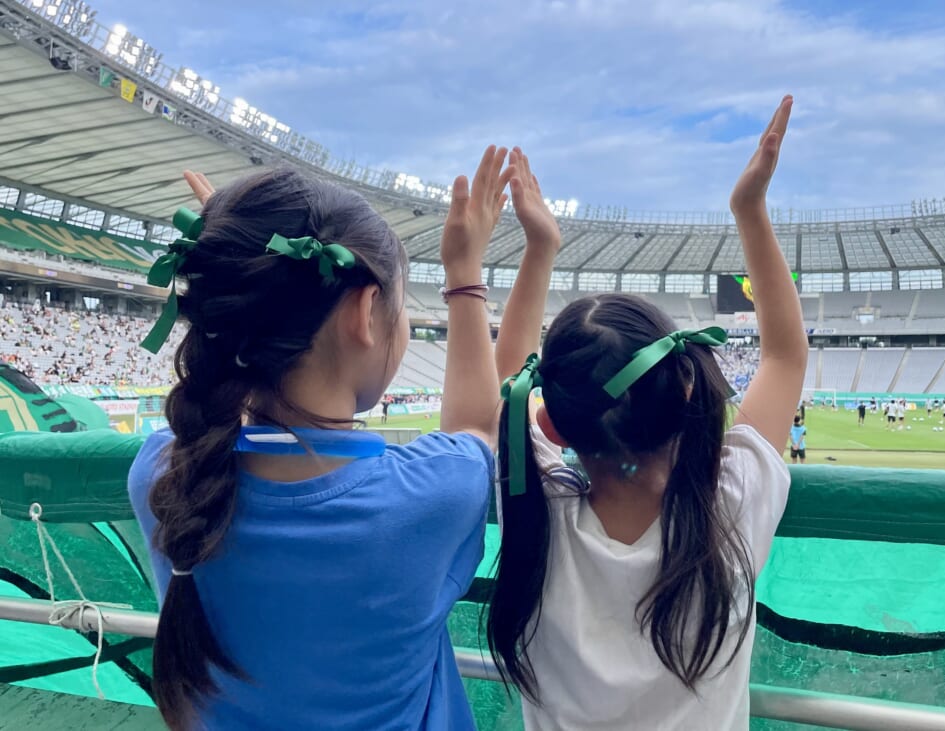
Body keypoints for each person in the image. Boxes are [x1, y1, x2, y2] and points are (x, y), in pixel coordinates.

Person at [127, 148, 514, 730]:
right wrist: (464, 275)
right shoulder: (429, 495)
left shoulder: (159, 473)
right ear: (365, 312)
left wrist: (248, 285)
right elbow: (477, 426)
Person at [487, 98, 805, 729]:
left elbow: (507, 388)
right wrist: (750, 210)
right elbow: (786, 356)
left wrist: (539, 249)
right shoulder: (729, 511)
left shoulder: (535, 515)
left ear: (552, 424)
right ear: (686, 390)